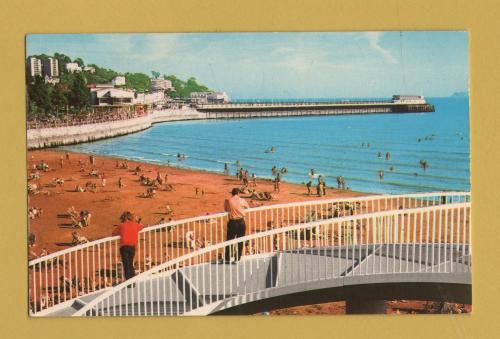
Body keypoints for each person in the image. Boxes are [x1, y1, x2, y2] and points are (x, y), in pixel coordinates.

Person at [112, 211, 143, 281]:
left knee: (126, 264)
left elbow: (113, 233)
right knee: (130, 264)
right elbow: (141, 226)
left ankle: (128, 281)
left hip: (124, 247)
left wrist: (121, 233)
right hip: (132, 246)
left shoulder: (121, 225)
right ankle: (132, 280)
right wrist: (138, 221)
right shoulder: (135, 224)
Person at [224, 188, 250, 263]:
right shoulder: (242, 200)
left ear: (232, 193)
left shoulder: (228, 201)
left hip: (232, 222)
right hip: (241, 222)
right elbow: (247, 207)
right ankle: (237, 258)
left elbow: (226, 209)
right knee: (240, 240)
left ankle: (228, 258)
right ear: (238, 193)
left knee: (229, 240)